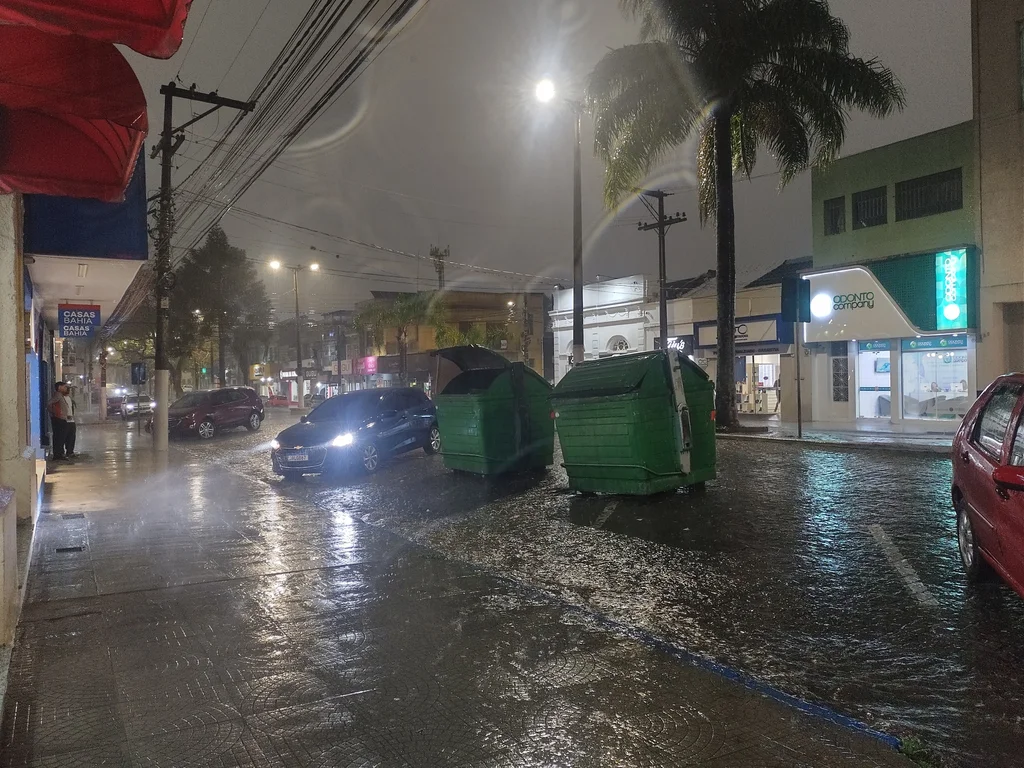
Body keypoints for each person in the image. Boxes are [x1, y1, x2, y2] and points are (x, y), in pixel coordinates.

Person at [49, 381, 76, 460]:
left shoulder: (63, 396)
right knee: (60, 437)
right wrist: (55, 413)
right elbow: (49, 404)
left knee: (65, 437)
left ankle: (64, 453)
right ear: (59, 387)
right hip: (60, 419)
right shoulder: (58, 395)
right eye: (64, 387)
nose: (66, 389)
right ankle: (58, 454)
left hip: (65, 419)